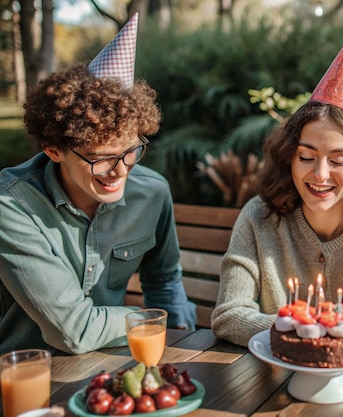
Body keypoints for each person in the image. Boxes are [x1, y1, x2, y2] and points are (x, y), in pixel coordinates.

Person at [0, 14, 196, 355]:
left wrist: (182, 342)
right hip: (28, 379)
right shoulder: (11, 205)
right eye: (99, 157)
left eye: (131, 151)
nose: (120, 171)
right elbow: (74, 330)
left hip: (113, 368)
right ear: (53, 150)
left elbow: (163, 279)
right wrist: (150, 322)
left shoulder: (152, 192)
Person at [211, 39, 343, 349]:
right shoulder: (259, 216)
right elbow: (229, 315)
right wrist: (309, 330)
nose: (320, 175)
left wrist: (318, 332)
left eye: (338, 160)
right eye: (307, 157)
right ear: (288, 158)